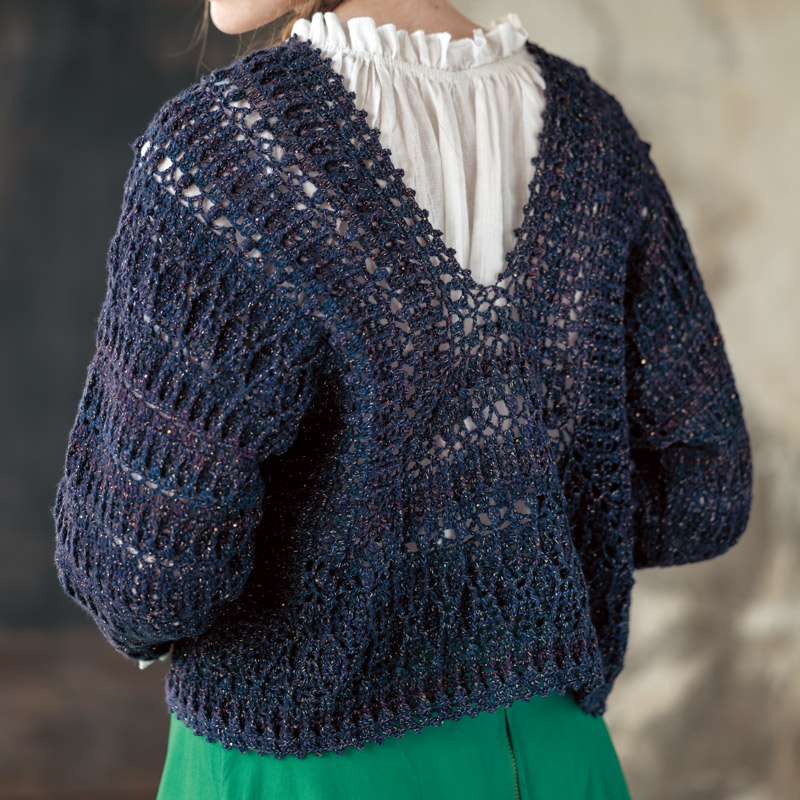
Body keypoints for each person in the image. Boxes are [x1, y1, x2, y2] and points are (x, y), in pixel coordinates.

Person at [51, 0, 753, 797]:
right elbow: (702, 490)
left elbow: (143, 584)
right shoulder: (595, 139)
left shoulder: (224, 157)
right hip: (551, 750)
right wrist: (509, 546)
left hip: (305, 756)